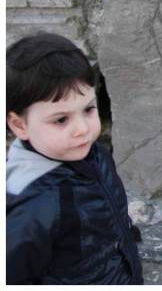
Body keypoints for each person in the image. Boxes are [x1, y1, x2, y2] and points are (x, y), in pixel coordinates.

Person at [6, 32, 144, 284]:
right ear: (19, 125)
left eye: (89, 109)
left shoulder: (95, 153)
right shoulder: (33, 206)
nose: (82, 129)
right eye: (61, 120)